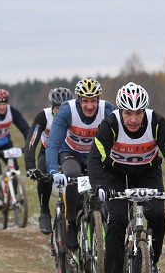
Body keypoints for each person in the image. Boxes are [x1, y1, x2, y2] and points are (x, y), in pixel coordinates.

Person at [87, 82, 165, 273]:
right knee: (118, 219)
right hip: (116, 176)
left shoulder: (157, 123)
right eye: (128, 113)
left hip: (148, 174)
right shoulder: (110, 124)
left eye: (138, 113)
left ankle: (151, 265)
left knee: (157, 216)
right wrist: (100, 186)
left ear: (145, 111)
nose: (133, 119)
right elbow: (95, 159)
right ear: (120, 112)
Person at [45, 78, 115, 249]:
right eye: (85, 101)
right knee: (71, 175)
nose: (89, 106)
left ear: (98, 100)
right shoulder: (66, 111)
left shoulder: (107, 110)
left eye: (93, 101)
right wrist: (54, 170)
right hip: (71, 153)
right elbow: (53, 143)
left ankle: (106, 222)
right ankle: (71, 226)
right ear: (78, 100)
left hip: (95, 154)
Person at [24, 87, 74, 234]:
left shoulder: (76, 116)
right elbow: (31, 142)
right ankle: (44, 210)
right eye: (58, 108)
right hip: (47, 152)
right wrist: (30, 166)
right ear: (52, 107)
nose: (61, 112)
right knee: (43, 174)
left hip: (71, 153)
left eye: (65, 108)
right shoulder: (43, 117)